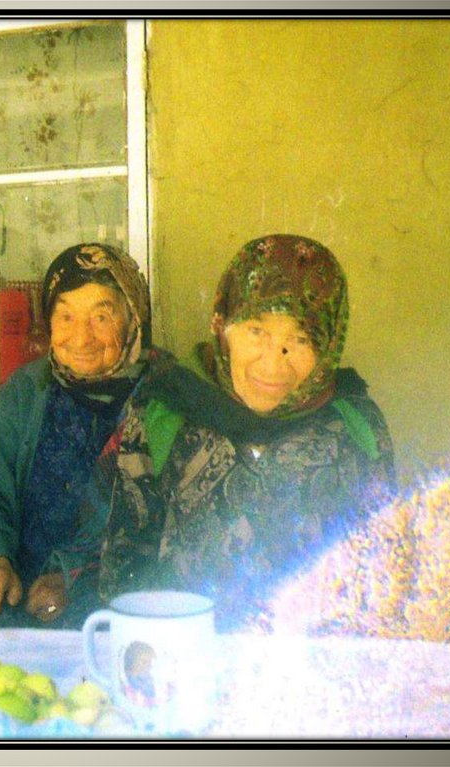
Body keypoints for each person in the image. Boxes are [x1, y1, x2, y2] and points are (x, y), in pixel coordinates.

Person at [51, 233, 395, 631]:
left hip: (313, 657)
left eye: (299, 339)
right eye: (256, 331)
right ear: (224, 326)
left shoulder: (356, 426)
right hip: (186, 652)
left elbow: (382, 571)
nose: (273, 362)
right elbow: (126, 564)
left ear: (329, 343)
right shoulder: (165, 412)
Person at [0, 242, 152, 629]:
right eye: (66, 317)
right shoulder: (28, 390)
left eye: (101, 317)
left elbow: (162, 527)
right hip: (17, 589)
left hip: (119, 601)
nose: (81, 338)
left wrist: (74, 578)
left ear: (133, 317)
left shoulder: (164, 398)